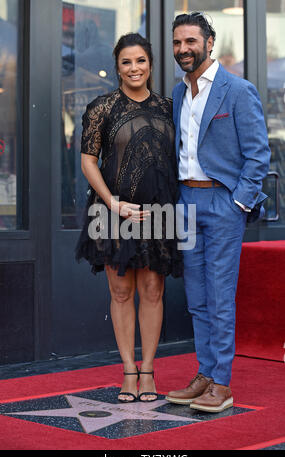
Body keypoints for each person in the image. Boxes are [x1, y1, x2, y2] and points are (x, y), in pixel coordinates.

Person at [166, 12, 271, 412]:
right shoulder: (178, 94)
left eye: (191, 41)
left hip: (223, 203)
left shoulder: (237, 90)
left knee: (219, 294)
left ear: (209, 42)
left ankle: (222, 385)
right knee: (196, 296)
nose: (183, 49)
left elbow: (258, 155)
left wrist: (239, 202)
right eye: (177, 43)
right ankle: (205, 373)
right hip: (187, 204)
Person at [75, 33, 182, 403]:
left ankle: (148, 372)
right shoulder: (102, 107)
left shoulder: (170, 107)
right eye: (126, 62)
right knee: (121, 293)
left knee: (153, 290)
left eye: (140, 61)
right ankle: (127, 372)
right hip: (112, 212)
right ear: (117, 67)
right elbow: (89, 160)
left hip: (159, 212)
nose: (134, 68)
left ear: (150, 64)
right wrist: (112, 202)